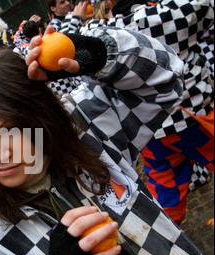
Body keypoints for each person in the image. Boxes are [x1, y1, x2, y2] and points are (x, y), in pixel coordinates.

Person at [0, 30, 213, 255]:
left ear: (42, 116)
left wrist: (98, 54)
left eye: (12, 129)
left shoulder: (85, 127)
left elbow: (167, 77)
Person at [79, 0, 214, 224]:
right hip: (192, 117)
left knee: (165, 190)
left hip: (149, 131)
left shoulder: (96, 30)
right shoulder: (163, 14)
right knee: (166, 186)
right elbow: (201, 6)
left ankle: (166, 242)